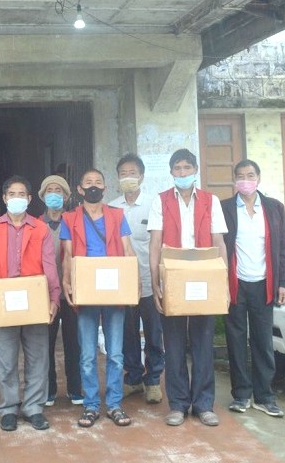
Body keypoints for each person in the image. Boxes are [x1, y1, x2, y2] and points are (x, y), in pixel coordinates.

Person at [148, 148, 228, 427]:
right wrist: (155, 282)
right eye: (177, 168)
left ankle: (204, 404)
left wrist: (223, 283)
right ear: (171, 172)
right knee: (173, 344)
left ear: (195, 170)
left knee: (203, 342)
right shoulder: (161, 201)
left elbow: (219, 242)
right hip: (173, 279)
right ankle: (178, 404)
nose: (182, 173)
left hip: (204, 278)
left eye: (187, 167)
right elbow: (155, 244)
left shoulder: (210, 201)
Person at [0, 175, 61, 432]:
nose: (17, 198)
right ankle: (9, 408)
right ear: (4, 198)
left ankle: (34, 408)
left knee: (38, 358)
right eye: (12, 194)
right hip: (3, 302)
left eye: (22, 194)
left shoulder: (40, 229)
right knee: (6, 358)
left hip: (35, 301)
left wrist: (54, 298)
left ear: (30, 199)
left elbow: (50, 267)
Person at [60, 169, 137, 428]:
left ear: (105, 187)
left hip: (114, 289)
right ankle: (91, 405)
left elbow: (127, 249)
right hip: (86, 289)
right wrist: (67, 283)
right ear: (80, 189)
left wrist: (133, 282)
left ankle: (114, 404)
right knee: (87, 355)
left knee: (115, 353)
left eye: (98, 182)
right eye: (88, 183)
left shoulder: (117, 215)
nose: (94, 186)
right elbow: (67, 255)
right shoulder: (70, 218)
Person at [221, 159, 285, 418]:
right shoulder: (225, 208)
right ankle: (241, 395)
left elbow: (283, 248)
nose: (245, 180)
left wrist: (283, 282)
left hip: (264, 284)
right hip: (235, 285)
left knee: (263, 341)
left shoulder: (274, 208)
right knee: (236, 341)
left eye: (250, 175)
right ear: (234, 180)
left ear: (258, 178)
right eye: (240, 176)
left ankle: (264, 396)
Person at [109, 154, 165, 405]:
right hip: (122, 284)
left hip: (149, 280)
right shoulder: (112, 208)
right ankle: (133, 379)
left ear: (141, 176)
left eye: (132, 173)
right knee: (127, 333)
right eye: (123, 173)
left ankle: (153, 381)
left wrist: (159, 279)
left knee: (154, 333)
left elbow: (160, 244)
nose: (128, 177)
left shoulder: (154, 205)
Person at [38, 175, 83, 407]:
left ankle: (75, 388)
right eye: (49, 190)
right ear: (43, 196)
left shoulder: (74, 221)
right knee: (45, 342)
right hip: (46, 292)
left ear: (66, 196)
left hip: (73, 289)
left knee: (74, 341)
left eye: (58, 190)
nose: (54, 194)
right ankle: (49, 389)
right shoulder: (36, 224)